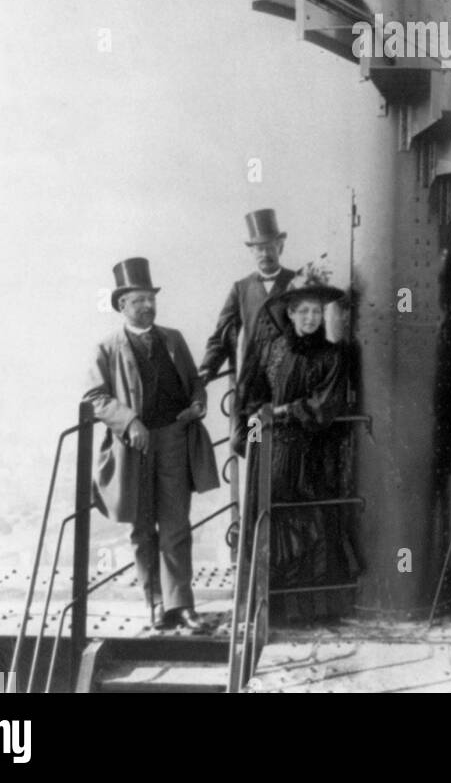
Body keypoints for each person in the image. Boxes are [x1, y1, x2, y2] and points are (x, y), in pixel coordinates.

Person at [85, 257, 219, 631]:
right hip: (133, 450)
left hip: (175, 439)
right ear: (122, 305)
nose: (146, 305)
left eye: (150, 298)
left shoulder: (173, 339)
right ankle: (156, 603)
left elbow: (194, 381)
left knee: (176, 523)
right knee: (142, 528)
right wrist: (129, 422)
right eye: (138, 300)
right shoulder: (107, 347)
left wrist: (197, 404)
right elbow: (95, 396)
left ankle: (183, 605)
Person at [233, 264, 358, 624]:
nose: (309, 317)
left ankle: (312, 609)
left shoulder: (332, 357)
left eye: (316, 311)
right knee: (267, 518)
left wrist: (282, 411)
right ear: (289, 313)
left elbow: (324, 406)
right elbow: (253, 396)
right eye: (302, 310)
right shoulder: (272, 348)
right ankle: (268, 605)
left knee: (312, 523)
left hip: (311, 451)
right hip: (267, 449)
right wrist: (252, 442)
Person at [198, 209, 296, 387]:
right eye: (259, 248)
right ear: (251, 251)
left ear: (280, 247)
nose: (265, 254)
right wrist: (207, 368)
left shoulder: (298, 281)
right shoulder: (241, 288)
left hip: (290, 378)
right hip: (251, 381)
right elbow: (222, 335)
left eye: (270, 247)